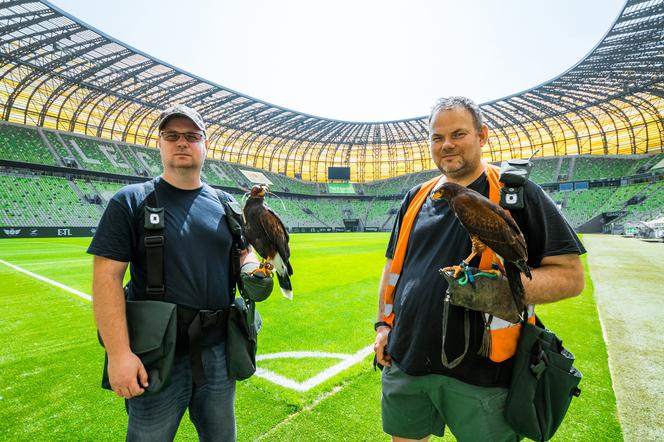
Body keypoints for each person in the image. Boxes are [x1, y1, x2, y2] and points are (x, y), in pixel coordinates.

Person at [373, 96, 586, 442]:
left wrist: (502, 291)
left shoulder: (516, 192)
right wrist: (383, 325)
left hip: (484, 376)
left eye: (458, 134)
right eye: (437, 137)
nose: (447, 145)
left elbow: (571, 277)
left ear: (482, 135)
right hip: (406, 360)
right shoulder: (415, 197)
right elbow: (392, 271)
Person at [88, 105, 260, 441]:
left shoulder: (225, 203)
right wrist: (119, 354)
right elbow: (106, 279)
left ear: (205, 145)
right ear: (160, 143)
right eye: (172, 136)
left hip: (218, 352)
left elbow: (243, 250)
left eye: (192, 136)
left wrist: (251, 268)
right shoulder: (131, 201)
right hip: (156, 354)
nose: (182, 142)